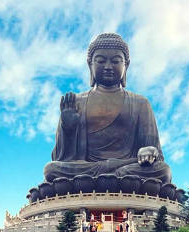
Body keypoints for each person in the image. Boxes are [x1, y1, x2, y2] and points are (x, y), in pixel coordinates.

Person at [43, 33, 172, 186]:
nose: (108, 67)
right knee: (51, 170)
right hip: (87, 170)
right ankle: (112, 179)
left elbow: (153, 153)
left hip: (127, 168)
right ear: (90, 64)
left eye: (116, 61)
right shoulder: (76, 102)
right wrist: (68, 129)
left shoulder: (140, 103)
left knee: (163, 170)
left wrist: (149, 151)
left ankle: (110, 178)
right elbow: (62, 159)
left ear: (126, 65)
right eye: (101, 61)